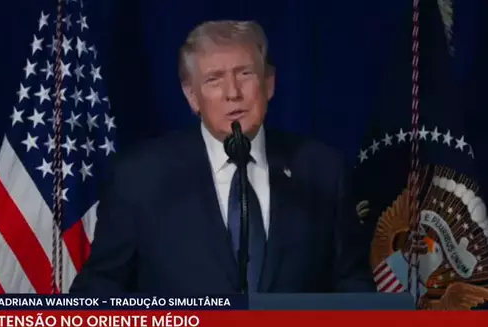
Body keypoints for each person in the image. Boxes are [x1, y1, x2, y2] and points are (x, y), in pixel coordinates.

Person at [70, 20, 375, 296]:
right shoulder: (140, 177)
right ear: (192, 96)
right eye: (214, 79)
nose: (233, 93)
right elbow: (100, 289)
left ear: (269, 83)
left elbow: (352, 282)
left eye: (245, 74)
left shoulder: (322, 169)